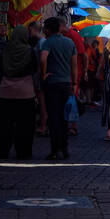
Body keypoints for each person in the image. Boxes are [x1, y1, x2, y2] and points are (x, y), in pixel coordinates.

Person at [0, 27, 39, 159]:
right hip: (26, 91)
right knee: (25, 125)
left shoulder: (5, 49)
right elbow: (34, 68)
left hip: (5, 90)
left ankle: (0, 151)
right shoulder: (29, 51)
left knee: (3, 124)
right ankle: (23, 152)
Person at [39, 17, 77, 160]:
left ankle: (55, 149)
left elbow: (43, 59)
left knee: (54, 117)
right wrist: (74, 83)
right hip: (66, 84)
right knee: (64, 117)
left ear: (49, 29)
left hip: (52, 83)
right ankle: (64, 147)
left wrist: (43, 75)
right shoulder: (69, 42)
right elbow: (74, 65)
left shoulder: (47, 42)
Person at [60, 20, 86, 136]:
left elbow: (82, 55)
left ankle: (73, 126)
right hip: (64, 72)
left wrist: (84, 71)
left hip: (74, 72)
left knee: (72, 99)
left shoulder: (74, 35)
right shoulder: (60, 36)